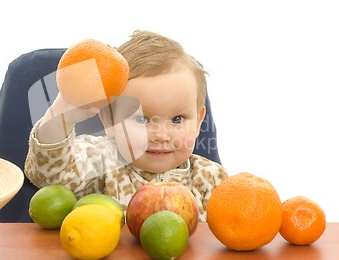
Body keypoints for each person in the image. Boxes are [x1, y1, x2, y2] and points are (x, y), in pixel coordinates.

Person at [24, 30, 228, 221]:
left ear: (199, 120)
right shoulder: (103, 161)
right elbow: (51, 173)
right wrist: (60, 117)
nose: (161, 136)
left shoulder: (211, 178)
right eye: (141, 119)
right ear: (109, 120)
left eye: (177, 119)